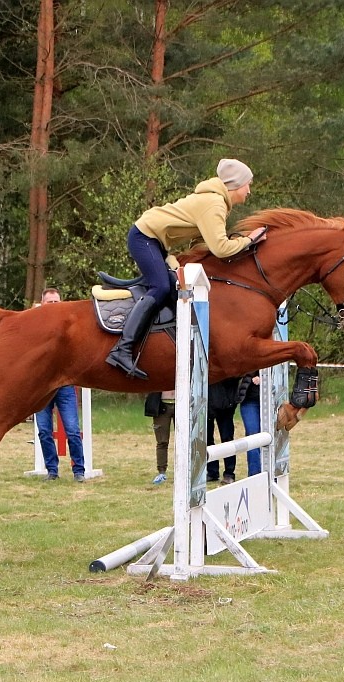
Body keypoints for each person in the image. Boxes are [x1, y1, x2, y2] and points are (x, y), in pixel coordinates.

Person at [106, 158, 267, 380]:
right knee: (161, 287)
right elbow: (220, 248)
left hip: (154, 241)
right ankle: (121, 350)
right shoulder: (215, 204)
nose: (249, 190)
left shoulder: (215, 202)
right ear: (236, 185)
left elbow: (202, 245)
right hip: (144, 237)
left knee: (173, 289)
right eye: (248, 184)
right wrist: (249, 240)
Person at [35, 288, 87, 482]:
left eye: (57, 302)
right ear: (42, 304)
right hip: (41, 387)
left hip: (65, 385)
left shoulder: (69, 327)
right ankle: (52, 471)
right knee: (43, 430)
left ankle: (79, 470)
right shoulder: (34, 327)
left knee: (72, 429)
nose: (55, 307)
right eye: (50, 303)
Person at [207, 375, 241, 485]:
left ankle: (229, 473)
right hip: (208, 402)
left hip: (225, 404)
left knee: (227, 439)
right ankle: (212, 471)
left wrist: (231, 401)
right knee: (207, 439)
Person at [144, 390, 175, 485]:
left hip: (182, 402)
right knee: (162, 441)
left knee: (184, 441)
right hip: (161, 405)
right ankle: (161, 472)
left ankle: (184, 471)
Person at [238, 371, 262, 477]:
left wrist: (265, 380)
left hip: (270, 400)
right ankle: (255, 474)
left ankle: (272, 473)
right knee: (252, 435)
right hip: (249, 401)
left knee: (271, 436)